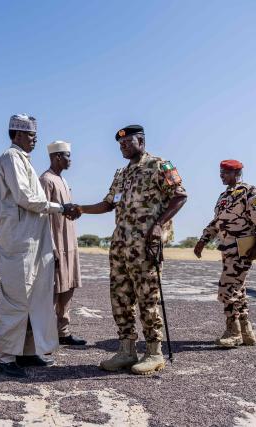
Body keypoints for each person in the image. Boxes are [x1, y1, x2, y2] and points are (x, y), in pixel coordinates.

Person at [76, 125, 187, 375]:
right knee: (120, 298)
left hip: (145, 245)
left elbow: (179, 195)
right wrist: (81, 209)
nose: (123, 146)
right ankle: (126, 351)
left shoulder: (160, 165)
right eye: (120, 144)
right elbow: (108, 204)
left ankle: (154, 352)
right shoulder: (121, 173)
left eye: (128, 142)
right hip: (120, 245)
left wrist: (159, 225)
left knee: (147, 298)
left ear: (142, 141)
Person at [0, 114, 78, 378]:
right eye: (31, 136)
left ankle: (28, 352)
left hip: (34, 241)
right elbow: (25, 197)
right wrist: (59, 208)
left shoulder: (24, 161)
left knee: (36, 298)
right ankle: (6, 357)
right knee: (17, 298)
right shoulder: (10, 158)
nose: (34, 140)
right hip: (18, 241)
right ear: (17, 135)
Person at [194, 160, 256, 348]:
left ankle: (233, 332)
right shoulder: (224, 196)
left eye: (226, 172)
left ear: (237, 173)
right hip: (227, 249)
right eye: (221, 172)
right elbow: (217, 222)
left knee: (227, 288)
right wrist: (203, 240)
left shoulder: (250, 192)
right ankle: (246, 332)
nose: (222, 175)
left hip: (243, 248)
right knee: (238, 289)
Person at [39, 141, 86, 346]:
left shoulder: (63, 181)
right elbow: (43, 215)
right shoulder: (46, 180)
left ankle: (63, 332)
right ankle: (45, 334)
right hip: (55, 243)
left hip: (70, 242)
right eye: (67, 156)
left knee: (69, 285)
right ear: (57, 157)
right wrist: (52, 247)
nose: (70, 160)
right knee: (53, 288)